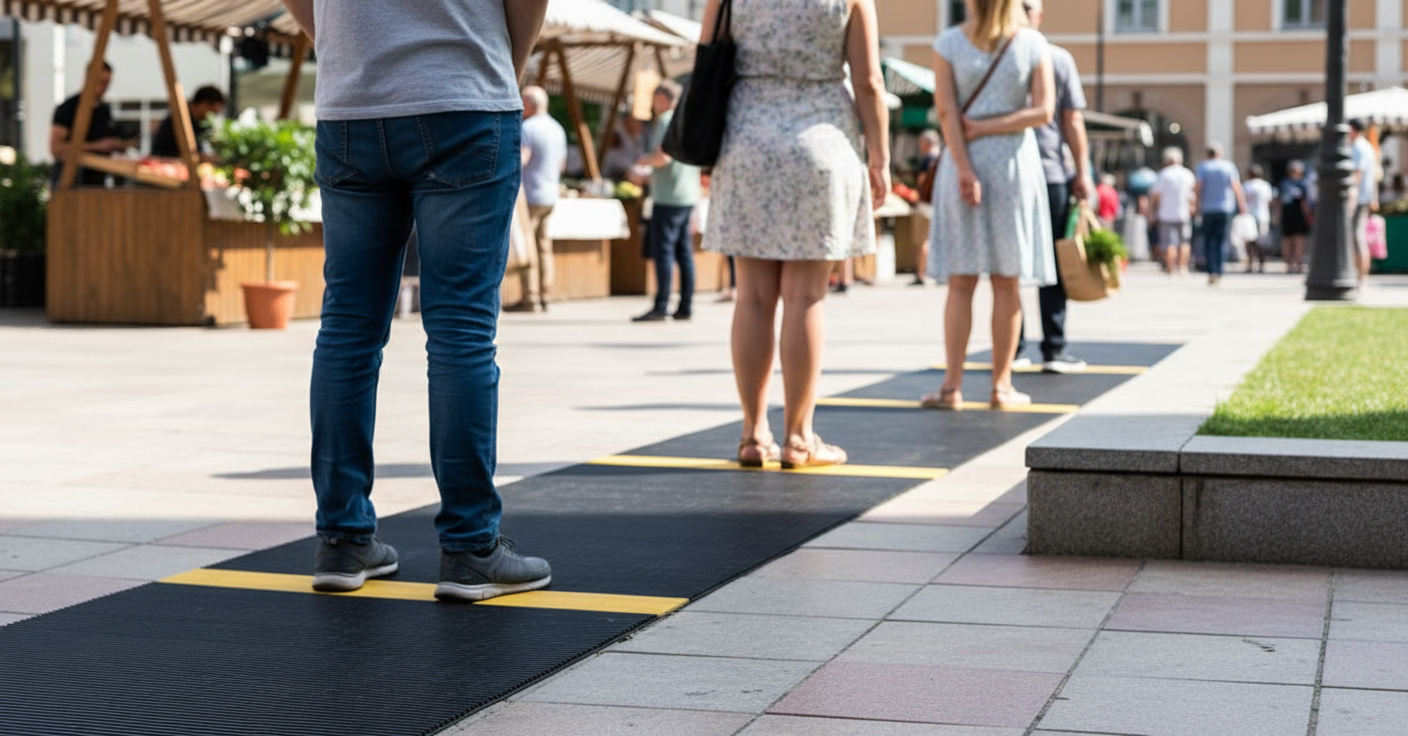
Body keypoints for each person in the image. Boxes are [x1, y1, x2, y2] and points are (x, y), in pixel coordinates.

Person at [280, 0, 553, 602]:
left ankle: (343, 539)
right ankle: (470, 547)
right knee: (461, 332)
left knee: (347, 329)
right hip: (465, 97)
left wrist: (346, 46)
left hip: (352, 103)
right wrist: (504, 65)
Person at [703, 0, 888, 468]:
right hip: (822, 141)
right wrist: (881, 158)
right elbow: (868, 83)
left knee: (752, 297)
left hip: (747, 139)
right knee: (806, 298)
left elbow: (704, 59)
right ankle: (799, 438)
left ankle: (752, 434)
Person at [922, 0, 1055, 411]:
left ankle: (952, 387)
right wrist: (993, 126)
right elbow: (1044, 111)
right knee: (1007, 281)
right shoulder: (1033, 43)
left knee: (961, 282)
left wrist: (964, 166)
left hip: (965, 161)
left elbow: (946, 112)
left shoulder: (947, 43)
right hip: (1014, 165)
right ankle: (1001, 386)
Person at [1012, 0, 1088, 375]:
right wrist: (1082, 171)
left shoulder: (997, 57)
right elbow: (1072, 121)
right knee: (1046, 263)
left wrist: (1082, 171)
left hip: (1022, 172)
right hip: (1046, 171)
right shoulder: (1056, 57)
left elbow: (1072, 120)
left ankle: (1019, 348)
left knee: (1013, 263)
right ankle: (1051, 349)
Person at [633, 81, 703, 322]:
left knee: (663, 252)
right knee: (684, 253)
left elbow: (663, 157)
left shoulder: (666, 121)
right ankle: (685, 305)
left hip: (668, 195)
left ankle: (661, 305)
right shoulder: (688, 120)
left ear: (661, 98)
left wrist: (642, 162)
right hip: (688, 194)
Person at [506, 85, 566, 313]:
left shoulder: (528, 128)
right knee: (543, 246)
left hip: (531, 193)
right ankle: (546, 294)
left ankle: (530, 297)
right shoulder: (557, 128)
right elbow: (562, 164)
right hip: (550, 194)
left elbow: (521, 159)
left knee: (529, 245)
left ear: (530, 104)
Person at [49, 61, 135, 187]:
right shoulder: (68, 108)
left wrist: (119, 144)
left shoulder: (103, 110)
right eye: (101, 82)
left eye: (107, 83)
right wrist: (97, 146)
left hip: (98, 180)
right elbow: (56, 148)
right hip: (72, 180)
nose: (104, 88)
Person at [1193, 143, 1247, 285]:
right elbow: (1236, 187)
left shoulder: (1203, 167)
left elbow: (1198, 188)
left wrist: (1196, 205)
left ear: (1207, 154)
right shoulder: (1228, 166)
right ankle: (1219, 271)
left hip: (1208, 208)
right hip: (1225, 208)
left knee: (1209, 240)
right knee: (1221, 240)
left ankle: (1211, 271)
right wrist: (1242, 205)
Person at [1149, 147, 1196, 276]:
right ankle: (1183, 267)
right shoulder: (1187, 174)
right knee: (1184, 241)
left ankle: (1170, 268)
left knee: (1169, 243)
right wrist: (1193, 207)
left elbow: (1156, 195)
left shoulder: (1164, 174)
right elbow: (1193, 195)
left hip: (1166, 213)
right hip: (1184, 213)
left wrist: (1152, 211)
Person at [150, 85, 226, 161]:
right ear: (202, 104)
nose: (212, 117)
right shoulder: (179, 121)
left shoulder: (204, 124)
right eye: (212, 111)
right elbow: (183, 153)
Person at [1349, 119, 1380, 281]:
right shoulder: (1367, 147)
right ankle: (1361, 275)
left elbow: (1357, 174)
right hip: (1364, 197)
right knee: (1357, 236)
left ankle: (1360, 276)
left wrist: (1350, 196)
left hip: (1358, 198)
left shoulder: (1358, 148)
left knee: (1356, 236)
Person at [911, 129, 940, 286]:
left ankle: (922, 274)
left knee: (923, 240)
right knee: (935, 239)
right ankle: (936, 272)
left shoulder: (927, 159)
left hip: (925, 204)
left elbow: (921, 182)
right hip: (939, 203)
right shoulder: (943, 158)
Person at [1278, 160, 1313, 274]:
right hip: (1297, 216)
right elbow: (1304, 203)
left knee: (1289, 242)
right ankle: (1297, 265)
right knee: (1297, 242)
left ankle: (1289, 266)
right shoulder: (1303, 184)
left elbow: (1279, 202)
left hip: (1288, 215)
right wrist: (1308, 214)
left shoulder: (1284, 183)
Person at [1241, 164, 1274, 273]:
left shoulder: (1247, 185)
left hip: (1249, 216)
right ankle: (1261, 265)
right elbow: (1269, 201)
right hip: (1263, 215)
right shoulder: (1265, 186)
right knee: (1262, 242)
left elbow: (1242, 200)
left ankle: (1250, 264)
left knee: (1250, 242)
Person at [600, 114, 646, 181]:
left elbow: (640, 157)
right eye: (639, 122)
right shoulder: (616, 137)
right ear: (628, 121)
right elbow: (616, 161)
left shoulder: (637, 138)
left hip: (632, 174)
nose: (642, 125)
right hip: (612, 177)